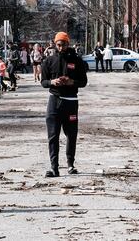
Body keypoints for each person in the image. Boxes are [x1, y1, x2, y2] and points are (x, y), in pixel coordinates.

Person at [41, 31, 88, 177]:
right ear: (55, 44)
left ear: (68, 44)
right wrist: (52, 82)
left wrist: (71, 82)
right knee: (53, 136)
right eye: (59, 45)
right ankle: (54, 168)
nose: (61, 47)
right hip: (54, 101)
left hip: (71, 102)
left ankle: (70, 165)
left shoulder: (77, 60)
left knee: (71, 135)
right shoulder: (48, 61)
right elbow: (43, 82)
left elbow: (84, 82)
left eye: (64, 44)